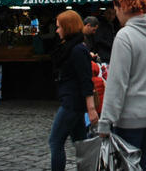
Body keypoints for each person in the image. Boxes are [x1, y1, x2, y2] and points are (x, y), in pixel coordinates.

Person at [98, 0, 146, 171]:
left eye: (115, 8)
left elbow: (116, 83)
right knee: (142, 158)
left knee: (132, 162)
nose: (116, 14)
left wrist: (105, 122)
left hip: (132, 114)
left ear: (122, 5)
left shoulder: (125, 36)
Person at [49, 10, 98, 171]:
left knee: (55, 141)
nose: (57, 31)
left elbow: (86, 80)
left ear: (67, 27)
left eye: (59, 27)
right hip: (73, 102)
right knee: (81, 143)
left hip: (72, 103)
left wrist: (91, 109)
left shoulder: (77, 50)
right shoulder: (71, 47)